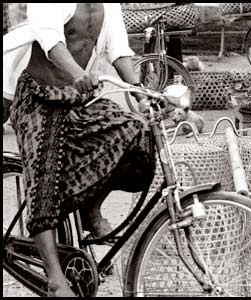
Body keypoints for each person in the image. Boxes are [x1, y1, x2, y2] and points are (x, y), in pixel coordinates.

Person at [3, 4, 155, 296]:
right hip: (39, 97)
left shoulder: (109, 5)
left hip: (76, 97)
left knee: (135, 136)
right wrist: (77, 73)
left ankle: (90, 209)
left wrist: (142, 92)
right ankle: (55, 277)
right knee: (44, 181)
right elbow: (51, 42)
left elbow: (119, 51)